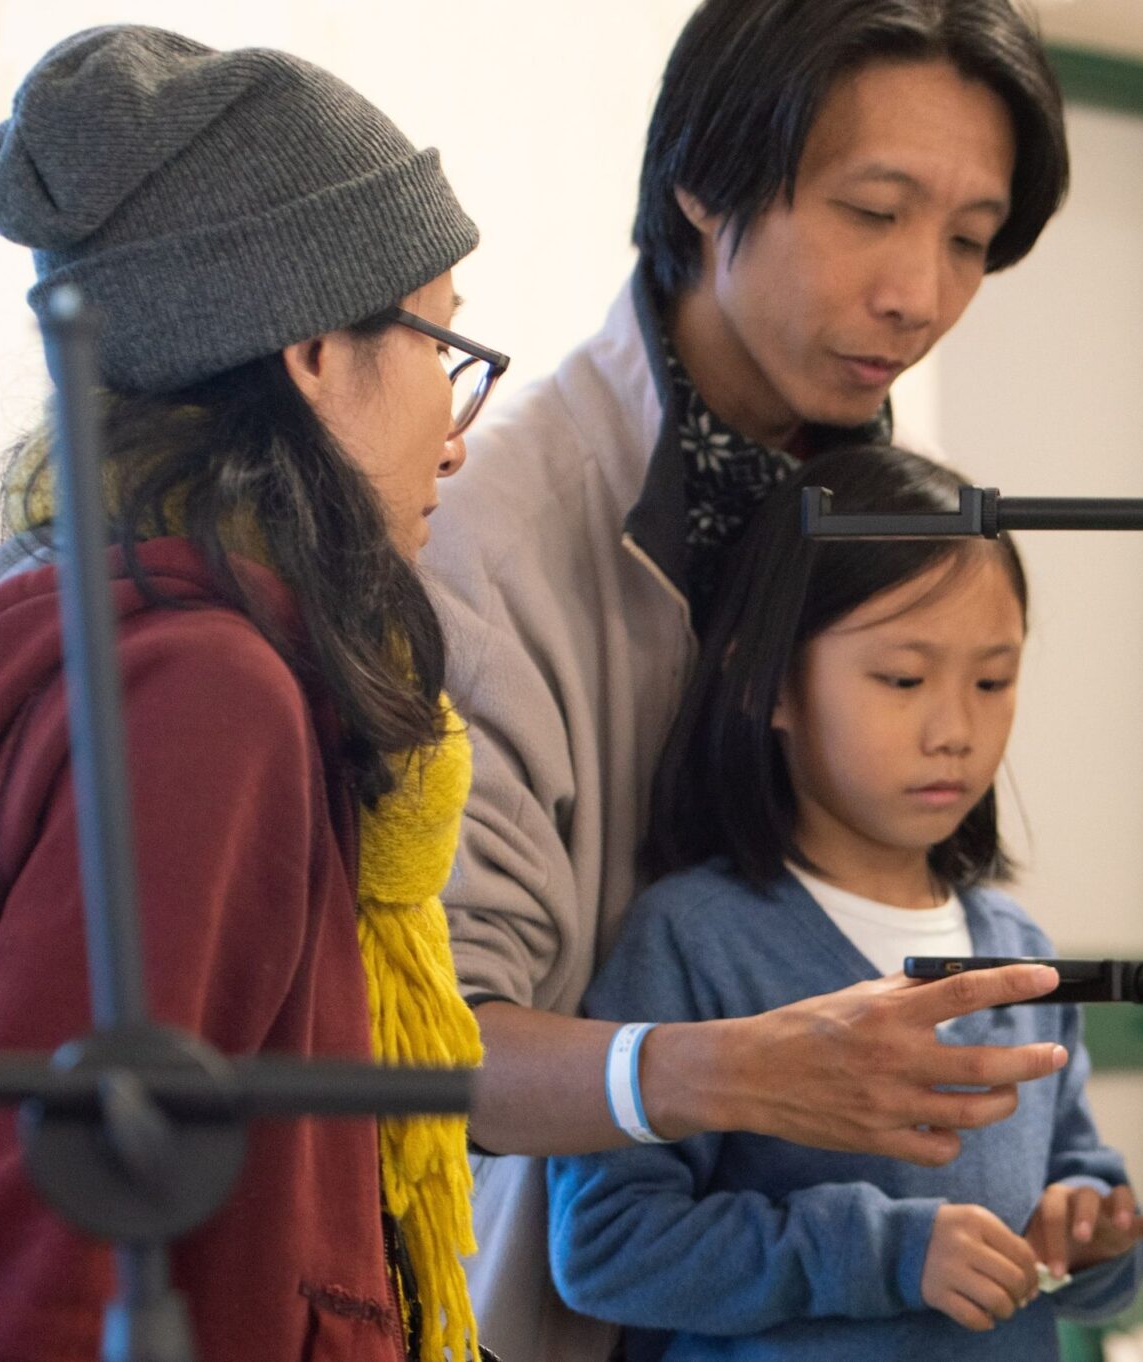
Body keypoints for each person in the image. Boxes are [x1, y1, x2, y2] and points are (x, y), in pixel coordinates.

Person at [420, 1, 1075, 1355]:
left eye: (969, 238)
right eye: (872, 211)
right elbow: (430, 1047)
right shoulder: (493, 532)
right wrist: (739, 1067)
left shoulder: (893, 511)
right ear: (704, 184)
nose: (922, 293)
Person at [0, 25, 494, 1362]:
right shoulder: (205, 693)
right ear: (313, 349)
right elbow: (62, 1217)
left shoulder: (90, 621)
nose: (460, 418)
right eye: (442, 337)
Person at [544, 444, 1143, 1358]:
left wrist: (1085, 1233)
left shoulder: (1017, 948)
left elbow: (1074, 1190)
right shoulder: (698, 939)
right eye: (903, 680)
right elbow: (606, 1248)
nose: (955, 730)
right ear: (770, 683)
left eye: (993, 681)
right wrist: (884, 1253)